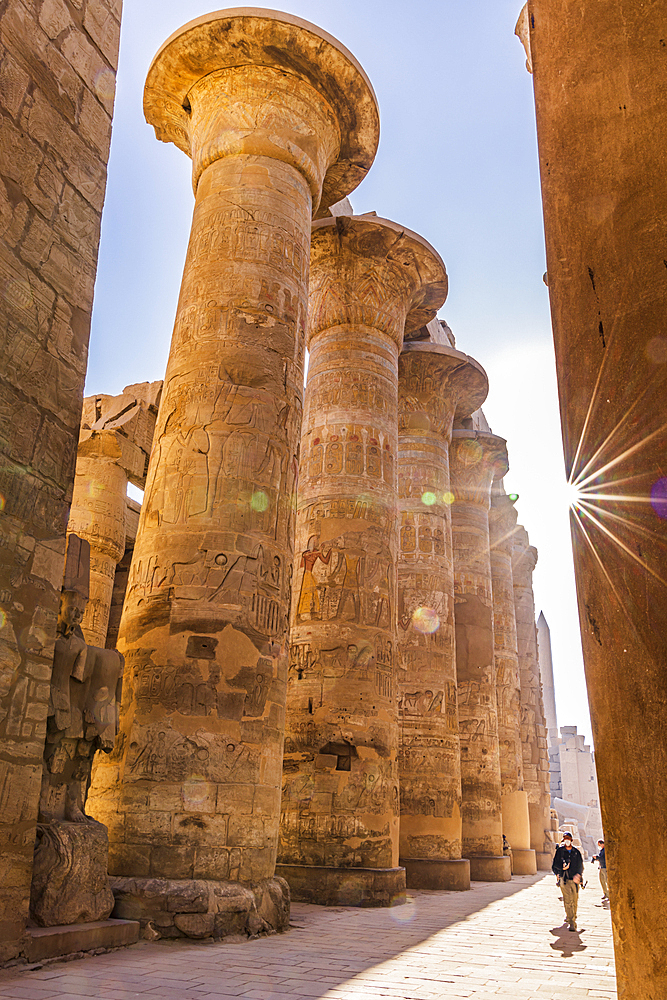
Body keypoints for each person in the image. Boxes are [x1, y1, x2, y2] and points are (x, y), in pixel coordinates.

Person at [552, 831, 584, 931]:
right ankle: (571, 921)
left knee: (574, 900)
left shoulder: (576, 852)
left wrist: (579, 875)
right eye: (565, 839)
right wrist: (560, 870)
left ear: (571, 840)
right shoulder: (560, 851)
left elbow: (580, 866)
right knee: (567, 900)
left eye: (568, 839)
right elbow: (554, 865)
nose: (567, 841)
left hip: (574, 880)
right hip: (564, 879)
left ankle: (573, 916)